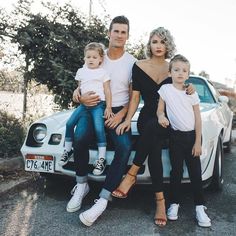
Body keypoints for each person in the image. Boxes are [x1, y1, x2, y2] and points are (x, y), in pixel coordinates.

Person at [112, 27, 194, 227]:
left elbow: (183, 87)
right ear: (149, 44)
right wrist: (126, 119)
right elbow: (135, 97)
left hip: (169, 118)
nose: (159, 46)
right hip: (147, 116)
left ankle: (131, 175)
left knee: (153, 138)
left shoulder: (174, 67)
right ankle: (160, 203)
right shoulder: (139, 65)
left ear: (168, 45)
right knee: (153, 139)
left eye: (163, 42)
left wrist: (189, 88)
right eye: (155, 42)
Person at [66, 16, 136, 226]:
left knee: (124, 146)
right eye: (116, 31)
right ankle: (81, 185)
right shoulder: (97, 55)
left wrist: (121, 115)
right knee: (79, 137)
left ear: (127, 36)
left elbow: (134, 95)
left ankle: (103, 199)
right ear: (109, 33)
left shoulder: (132, 62)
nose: (119, 35)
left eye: (124, 32)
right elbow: (81, 83)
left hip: (117, 110)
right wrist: (78, 95)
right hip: (92, 105)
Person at [157, 54, 211, 227]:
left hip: (191, 137)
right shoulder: (165, 90)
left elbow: (198, 119)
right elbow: (160, 110)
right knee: (176, 172)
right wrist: (160, 117)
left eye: (184, 70)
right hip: (175, 137)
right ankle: (174, 204)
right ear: (170, 72)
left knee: (195, 173)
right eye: (176, 69)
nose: (180, 73)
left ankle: (200, 207)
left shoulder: (191, 93)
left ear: (188, 74)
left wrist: (197, 142)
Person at [59, 42, 114, 176]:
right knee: (69, 123)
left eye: (94, 57)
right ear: (84, 58)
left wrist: (108, 107)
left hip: (98, 105)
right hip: (84, 106)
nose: (91, 59)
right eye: (88, 57)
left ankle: (101, 158)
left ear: (101, 59)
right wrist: (77, 93)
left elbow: (107, 91)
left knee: (99, 129)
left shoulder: (103, 73)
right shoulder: (81, 71)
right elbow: (80, 87)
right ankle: (67, 150)